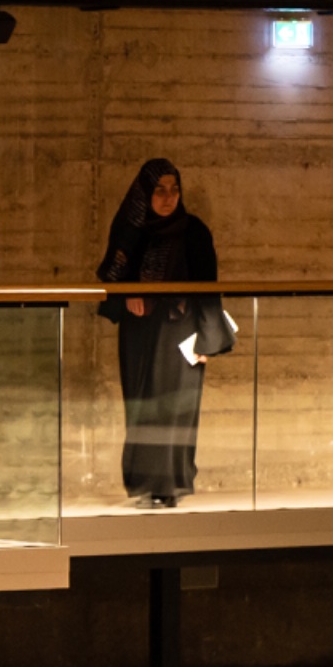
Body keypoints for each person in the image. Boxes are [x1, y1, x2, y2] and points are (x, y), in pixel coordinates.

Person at [95, 158, 227, 508]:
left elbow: (207, 288)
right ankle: (144, 485)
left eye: (174, 190)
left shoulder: (193, 232)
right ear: (144, 194)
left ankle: (170, 486)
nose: (168, 198)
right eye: (159, 191)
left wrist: (208, 340)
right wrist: (128, 295)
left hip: (181, 332)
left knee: (176, 409)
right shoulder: (130, 230)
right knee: (143, 407)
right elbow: (111, 277)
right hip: (140, 334)